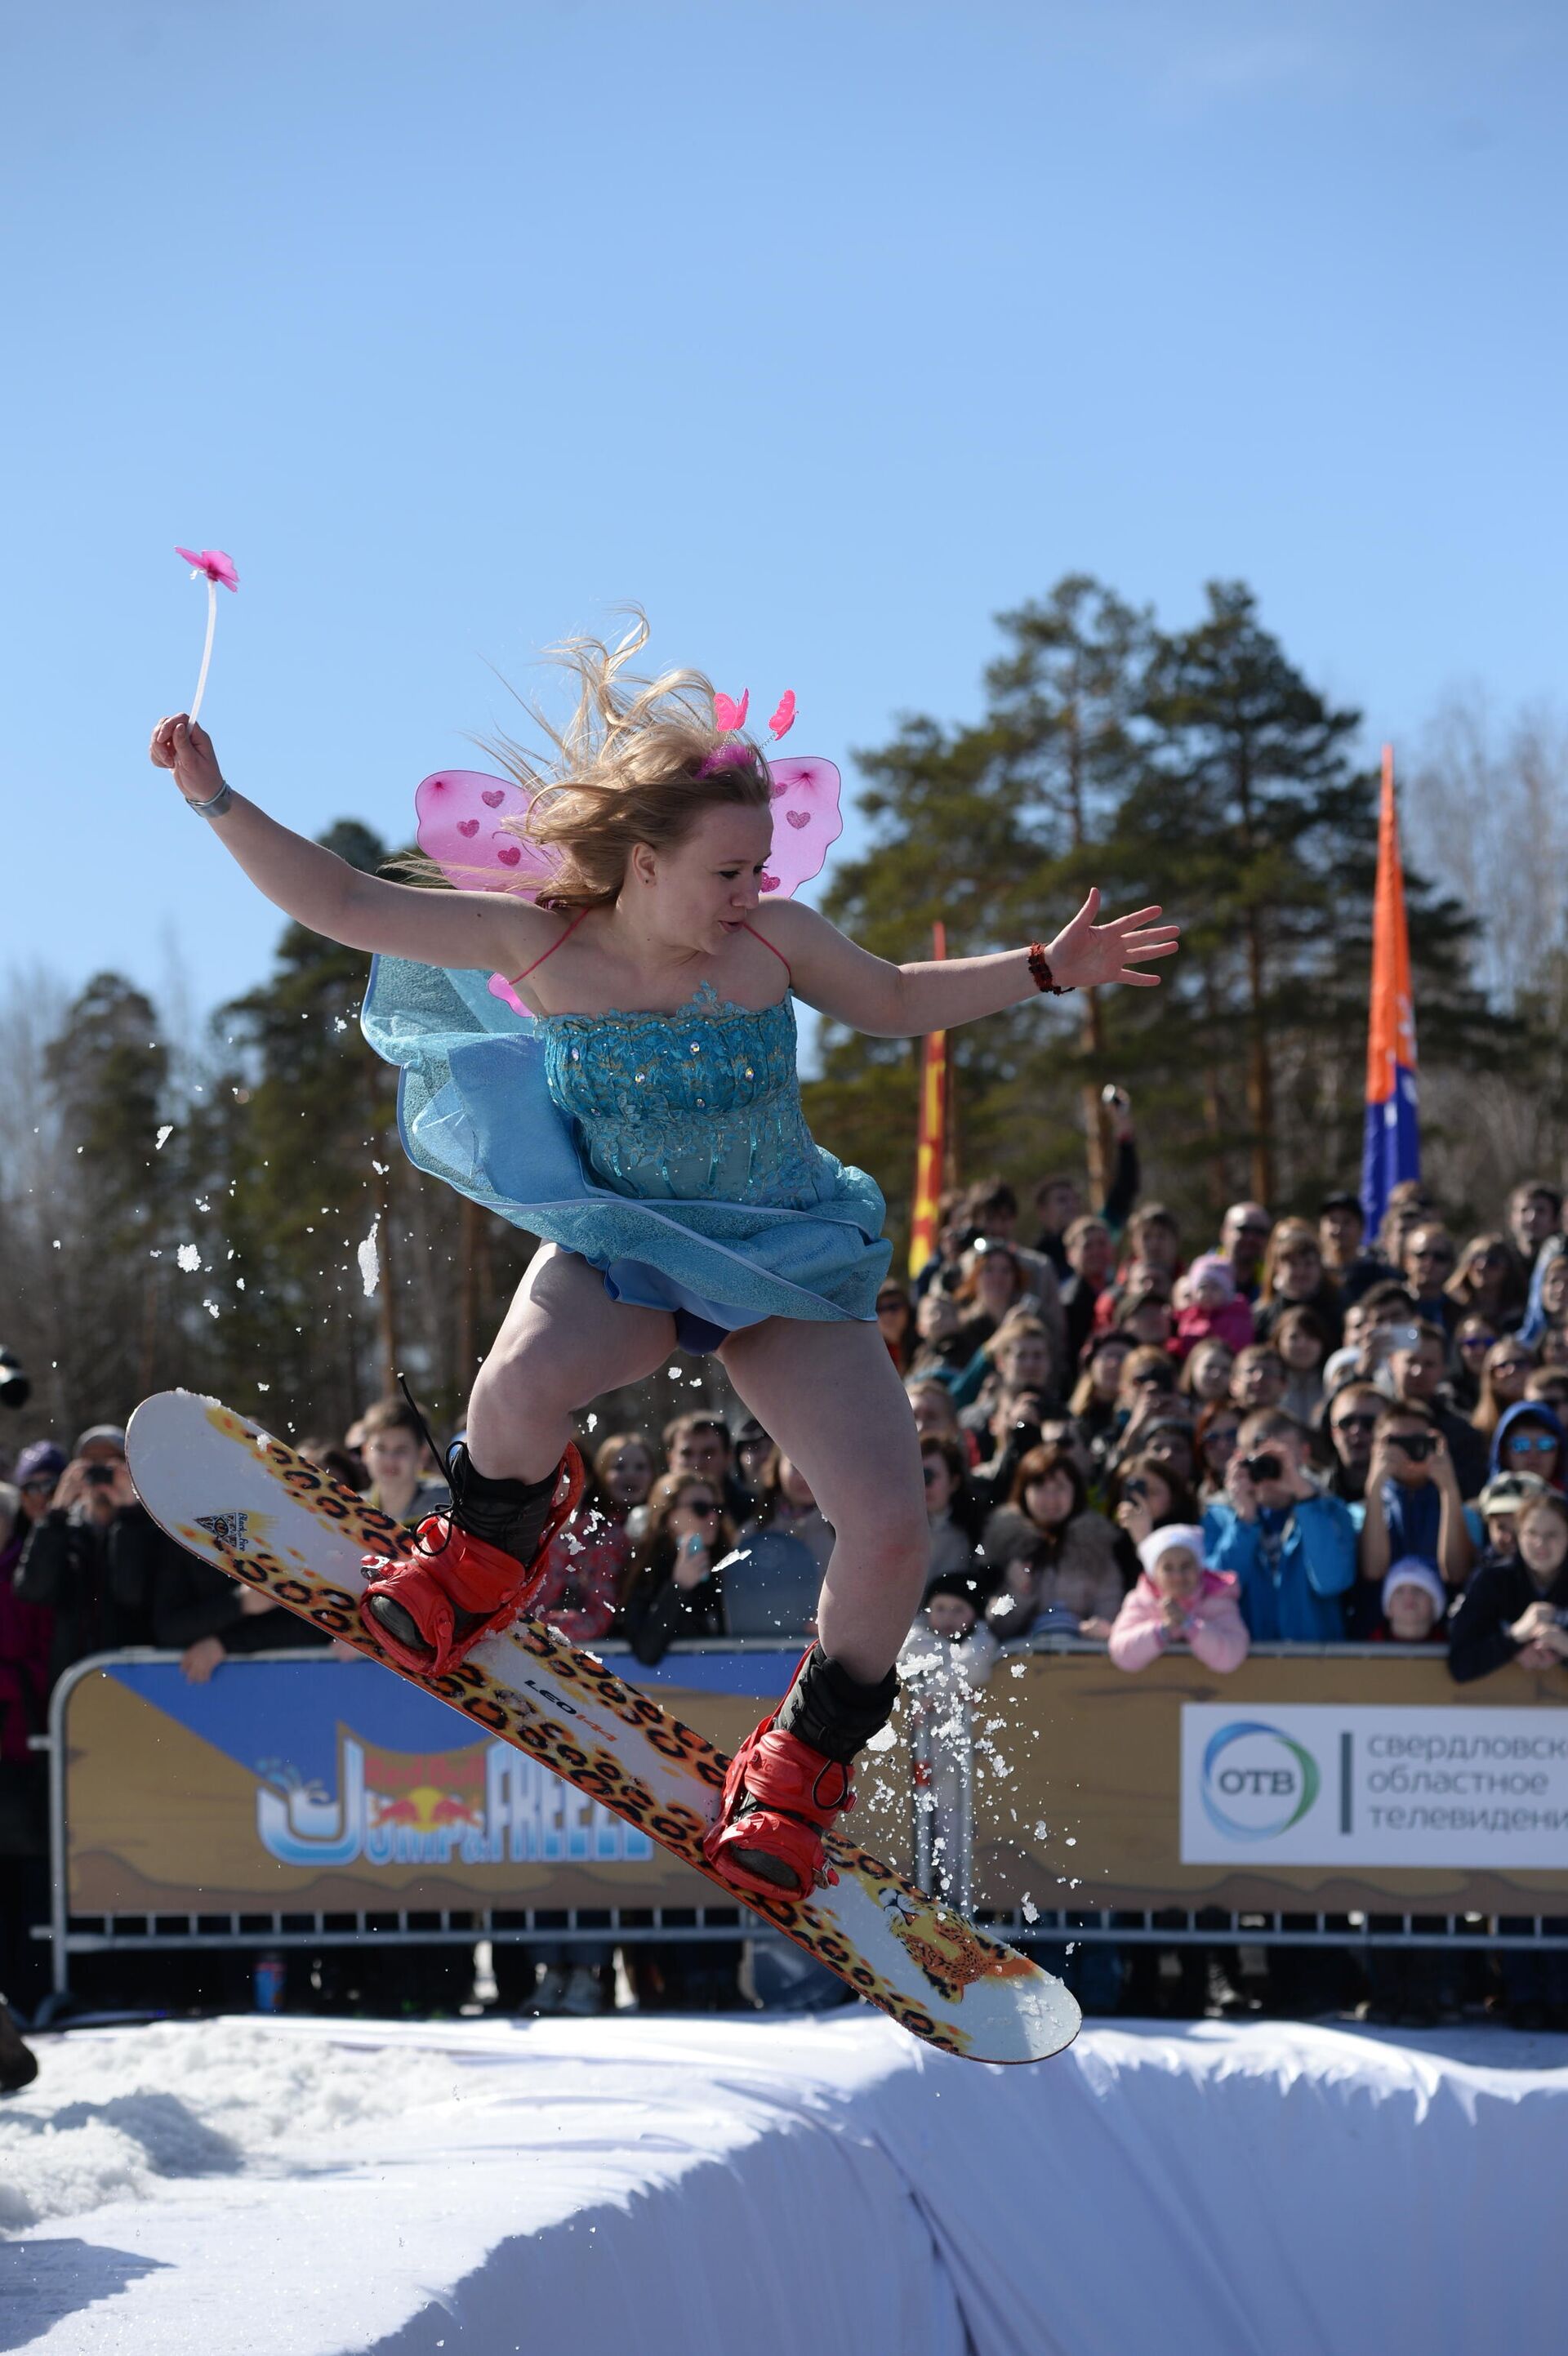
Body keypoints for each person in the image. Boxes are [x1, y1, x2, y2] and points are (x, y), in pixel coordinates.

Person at [152, 650, 1177, 1902]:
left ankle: (798, 1769)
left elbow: (898, 997)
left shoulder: (772, 947)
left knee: (893, 1523)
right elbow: (348, 903)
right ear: (644, 864)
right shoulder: (542, 946)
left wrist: (1040, 970)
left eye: (761, 868)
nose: (755, 891)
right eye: (728, 872)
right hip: (629, 1244)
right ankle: (489, 1550)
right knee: (514, 1392)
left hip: (781, 1253)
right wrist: (217, 798)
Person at [1201, 1410, 1356, 1641]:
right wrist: (1244, 1521)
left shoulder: (1332, 1512)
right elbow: (1215, 1594)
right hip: (1243, 1667)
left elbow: (1331, 1581)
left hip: (1316, 1666)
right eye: (1260, 1459)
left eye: (1280, 1458)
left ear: (1304, 1454)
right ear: (1239, 1459)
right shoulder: (1218, 1519)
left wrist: (1307, 1501)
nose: (1270, 1469)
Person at [0, 1441, 61, 2018]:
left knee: (24, 1875)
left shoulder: (27, 1565)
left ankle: (26, 1990)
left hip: (21, 1746)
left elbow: (37, 1648)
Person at [982, 1445, 1123, 1641]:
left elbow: (1110, 1610)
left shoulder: (1097, 1547)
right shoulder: (1001, 1545)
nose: (1050, 1498)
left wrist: (1098, 1630)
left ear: (1076, 1491)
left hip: (1084, 1662)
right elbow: (994, 1627)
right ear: (1023, 1491)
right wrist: (1018, 1592)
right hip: (1020, 1665)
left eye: (1060, 1487)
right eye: (1040, 1487)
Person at [1448, 1490, 1568, 1685]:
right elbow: (1460, 1663)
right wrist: (1514, 1639)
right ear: (1519, 1535)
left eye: (1552, 1534)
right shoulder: (1492, 1580)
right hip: (1497, 1709)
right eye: (1532, 1533)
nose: (1540, 1543)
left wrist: (1563, 1646)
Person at [1356, 1401, 1473, 1598]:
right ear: (1375, 1449)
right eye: (1395, 1443)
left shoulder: (1462, 1511)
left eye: (1417, 1441)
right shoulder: (1358, 1512)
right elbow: (1373, 1570)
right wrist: (1374, 1488)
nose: (1406, 1451)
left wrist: (1449, 1489)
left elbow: (1456, 1573)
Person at [1107, 1524, 1248, 1673]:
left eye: (1186, 1566)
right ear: (1154, 1574)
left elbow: (1230, 1656)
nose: (1178, 1576)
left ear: (1199, 1568)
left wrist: (1189, 1625)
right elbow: (1121, 1654)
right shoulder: (1139, 1601)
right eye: (1168, 1568)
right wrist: (1164, 1629)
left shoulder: (1218, 1600)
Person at [1031, 1086, 1139, 1276]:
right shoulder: (1036, 1259)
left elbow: (1125, 1189)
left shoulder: (1100, 1232)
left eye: (1075, 1199)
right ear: (1042, 1211)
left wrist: (1124, 1136)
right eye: (1062, 1200)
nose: (1071, 1205)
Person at [1384, 1325, 1489, 1499]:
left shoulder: (1463, 1434)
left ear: (1443, 1369)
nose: (1418, 1372)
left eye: (1429, 1364)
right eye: (1411, 1361)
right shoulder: (1367, 1419)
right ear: (1392, 1361)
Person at [359, 1395, 452, 1525]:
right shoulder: (354, 1511)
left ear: (422, 1455)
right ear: (365, 1451)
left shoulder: (447, 1510)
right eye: (381, 1448)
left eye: (401, 1450)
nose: (390, 1459)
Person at [1253, 1220, 1343, 1351]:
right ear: (1278, 1267)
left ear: (1320, 1267)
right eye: (1293, 1264)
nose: (1301, 1272)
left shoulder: (1338, 1310)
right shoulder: (1263, 1317)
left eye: (1308, 1264)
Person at [1173, 1254, 1253, 1360]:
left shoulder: (1237, 1319)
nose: (1208, 1293)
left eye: (1215, 1287)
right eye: (1203, 1287)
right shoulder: (1188, 1317)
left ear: (1227, 1292)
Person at [1487, 1398, 1566, 1493]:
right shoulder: (1480, 1506)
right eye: (1521, 1445)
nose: (1534, 1454)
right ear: (1503, 1453)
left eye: (1546, 1444)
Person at [1369, 1558, 1450, 1646]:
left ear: (1435, 1604)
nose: (1409, 1597)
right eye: (1399, 1591)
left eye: (1418, 1590)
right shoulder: (1366, 1650)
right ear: (1389, 1607)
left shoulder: (1453, 1644)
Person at [1273, 1307, 1329, 1429]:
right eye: (1294, 1337)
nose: (1302, 1345)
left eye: (1311, 1336)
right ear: (1278, 1341)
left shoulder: (1332, 1384)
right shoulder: (1267, 1383)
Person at [1471, 1337, 1536, 1439]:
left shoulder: (1553, 1416)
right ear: (1491, 1377)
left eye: (1520, 1363)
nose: (1512, 1370)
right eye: (1503, 1365)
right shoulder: (1478, 1431)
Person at [1218, 1203, 1272, 1302]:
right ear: (1223, 1233)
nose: (1251, 1238)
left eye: (1260, 1232)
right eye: (1243, 1229)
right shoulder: (1200, 1279)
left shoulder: (1273, 1283)